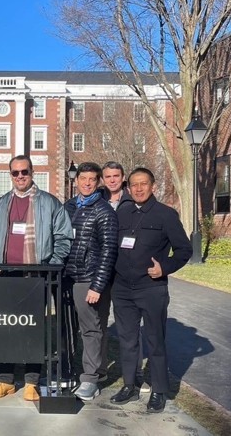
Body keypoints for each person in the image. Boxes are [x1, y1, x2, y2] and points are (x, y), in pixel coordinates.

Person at [0, 155, 73, 401]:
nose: (20, 176)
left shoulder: (49, 202)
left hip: (37, 275)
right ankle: (5, 380)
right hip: (7, 275)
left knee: (34, 328)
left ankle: (31, 381)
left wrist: (51, 266)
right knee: (5, 327)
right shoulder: (2, 204)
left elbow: (64, 237)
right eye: (15, 173)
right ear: (10, 175)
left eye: (24, 171)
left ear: (32, 172)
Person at [109, 168, 191, 413]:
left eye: (143, 184)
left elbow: (184, 250)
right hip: (122, 288)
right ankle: (129, 385)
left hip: (151, 287)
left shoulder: (166, 214)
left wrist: (164, 268)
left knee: (155, 341)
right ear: (128, 188)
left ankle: (158, 390)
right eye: (134, 185)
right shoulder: (121, 213)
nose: (138, 189)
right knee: (127, 340)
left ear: (152, 186)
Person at [63, 162, 118, 402]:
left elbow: (109, 250)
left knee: (91, 329)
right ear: (76, 180)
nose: (87, 183)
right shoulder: (69, 206)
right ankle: (93, 371)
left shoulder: (104, 211)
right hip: (68, 275)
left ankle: (90, 379)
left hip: (89, 277)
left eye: (92, 179)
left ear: (98, 182)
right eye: (83, 178)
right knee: (75, 328)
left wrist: (97, 285)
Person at [101, 160, 148, 393]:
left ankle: (136, 373)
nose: (112, 180)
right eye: (108, 176)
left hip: (124, 272)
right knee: (99, 324)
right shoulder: (97, 200)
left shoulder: (133, 202)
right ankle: (100, 370)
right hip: (101, 271)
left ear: (123, 179)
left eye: (116, 176)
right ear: (103, 179)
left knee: (130, 327)